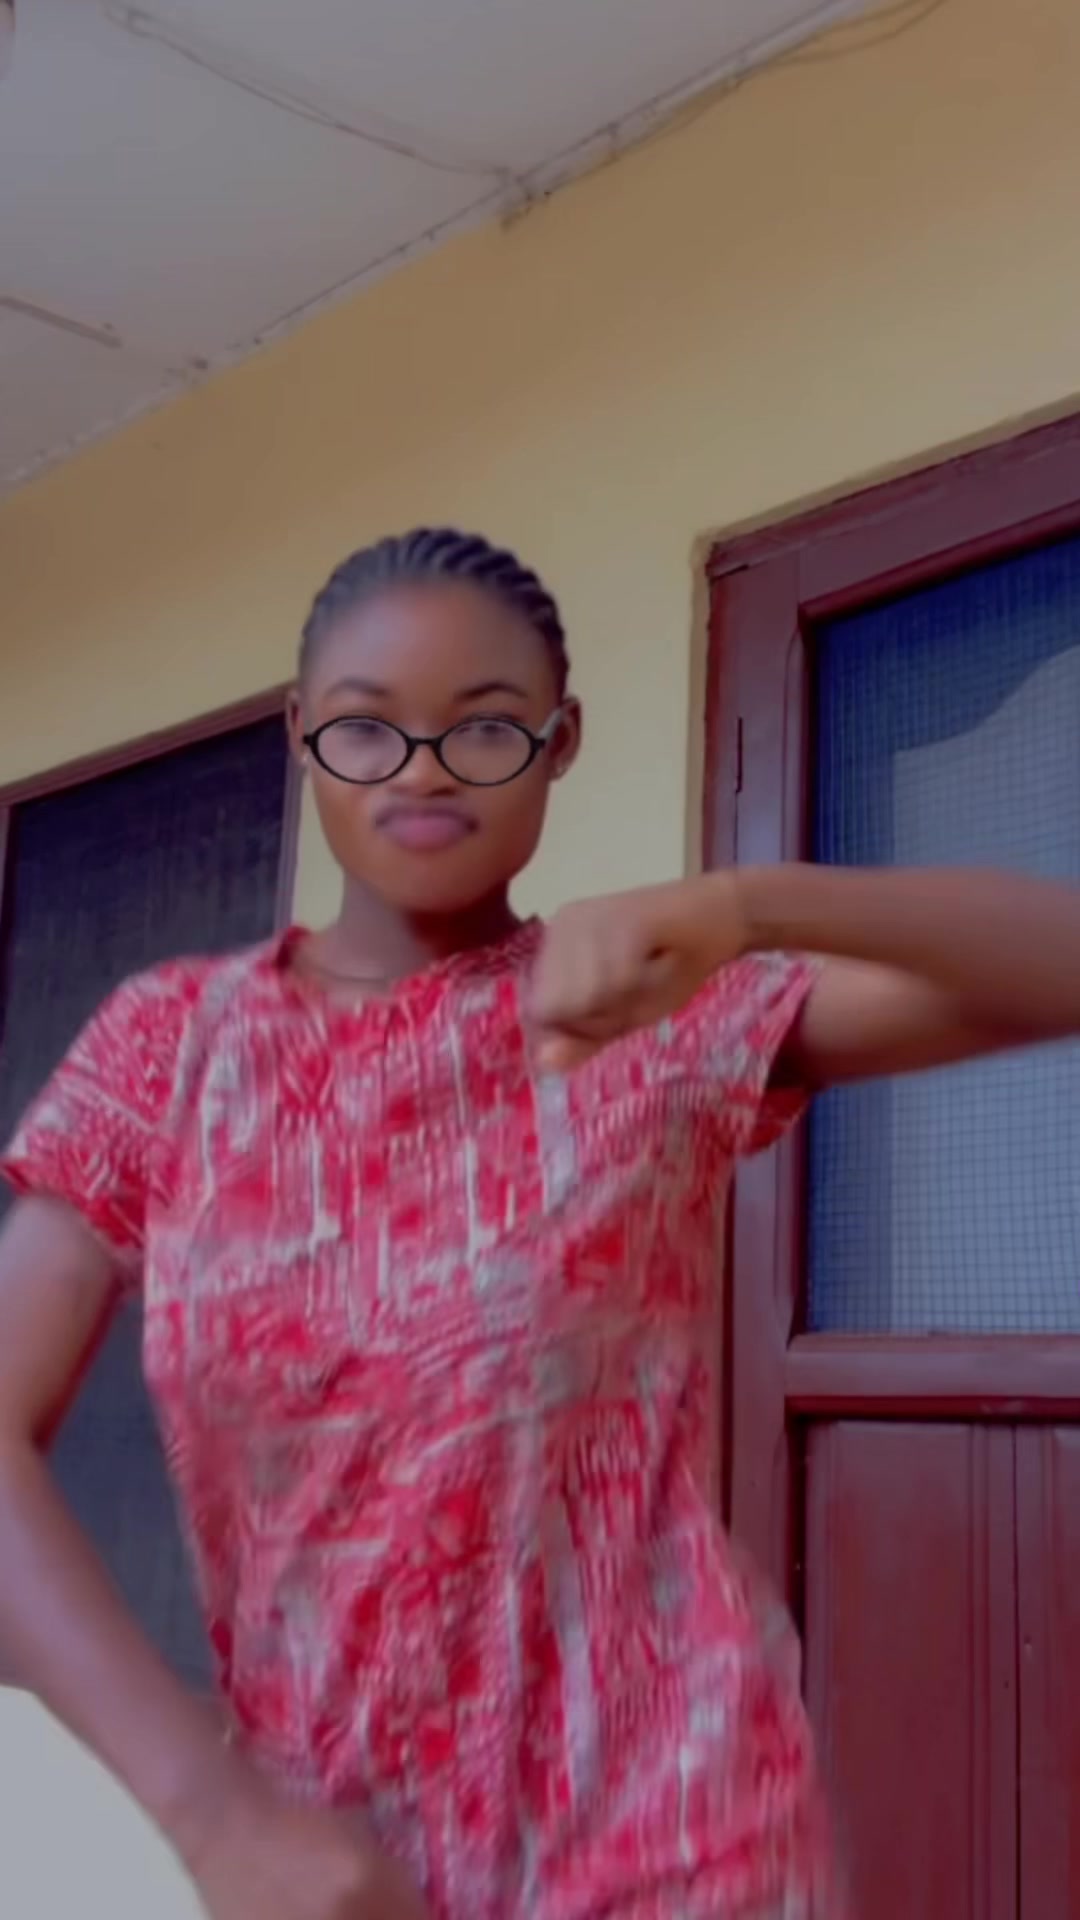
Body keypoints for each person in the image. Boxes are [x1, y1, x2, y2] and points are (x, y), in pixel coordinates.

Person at [0, 528, 1078, 1920]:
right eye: (367, 728)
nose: (423, 770)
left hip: (671, 1842)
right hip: (329, 1869)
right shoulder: (169, 1047)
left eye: (485, 726)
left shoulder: (653, 1016)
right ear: (303, 735)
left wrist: (749, 902)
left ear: (560, 743)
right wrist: (209, 1814)